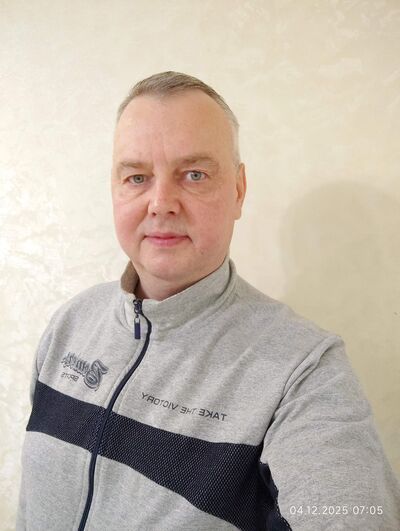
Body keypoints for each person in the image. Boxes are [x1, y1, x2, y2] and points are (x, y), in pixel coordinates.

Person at [17, 71, 399, 531]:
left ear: (238, 190)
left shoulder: (305, 370)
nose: (161, 202)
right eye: (137, 177)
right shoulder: (71, 324)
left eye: (194, 174)